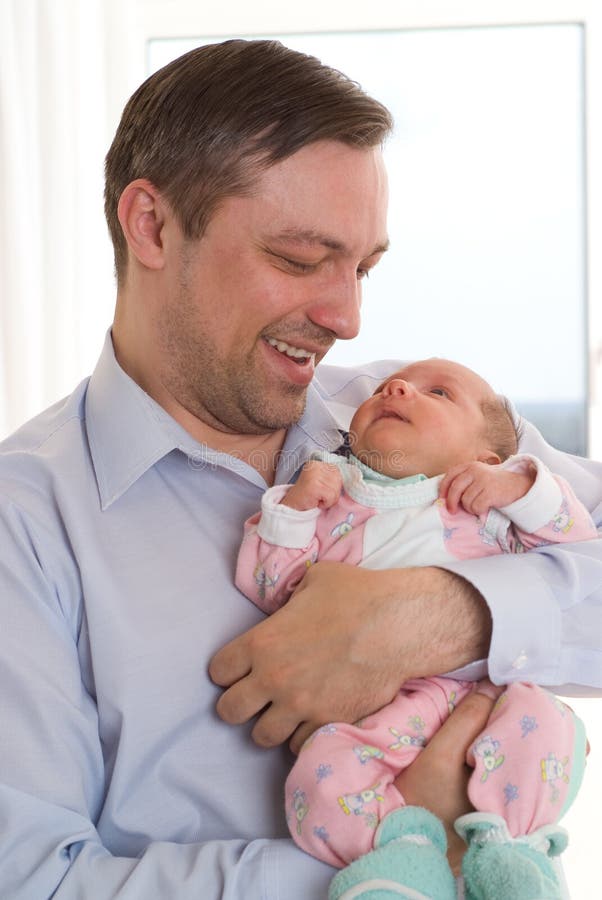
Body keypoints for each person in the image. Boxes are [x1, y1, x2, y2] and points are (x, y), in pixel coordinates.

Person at [0, 38, 600, 900]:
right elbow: (32, 882)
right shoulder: (25, 525)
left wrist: (445, 615)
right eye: (298, 259)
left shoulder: (411, 423)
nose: (348, 317)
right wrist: (409, 857)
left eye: (362, 266)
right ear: (152, 225)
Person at [235, 357, 595, 899]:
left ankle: (510, 851)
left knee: (548, 723)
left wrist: (518, 485)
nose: (397, 387)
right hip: (381, 714)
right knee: (321, 775)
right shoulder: (339, 504)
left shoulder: (488, 510)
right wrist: (295, 510)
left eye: (440, 394)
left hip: (487, 697)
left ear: (485, 456)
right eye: (384, 389)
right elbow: (273, 586)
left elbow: (577, 545)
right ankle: (404, 857)